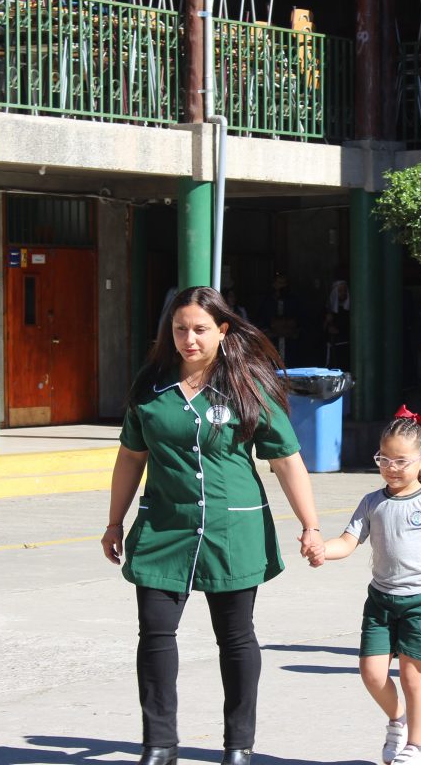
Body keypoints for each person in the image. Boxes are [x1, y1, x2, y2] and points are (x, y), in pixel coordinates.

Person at [100, 286, 325, 765]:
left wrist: (311, 526)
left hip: (232, 530)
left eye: (200, 329)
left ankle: (238, 745)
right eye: (180, 329)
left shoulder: (247, 384)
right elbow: (129, 458)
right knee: (155, 635)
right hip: (164, 529)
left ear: (223, 331)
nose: (189, 339)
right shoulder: (150, 386)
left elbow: (286, 460)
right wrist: (114, 521)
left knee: (236, 637)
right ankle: (159, 744)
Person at [319, 407, 421, 765]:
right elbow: (348, 542)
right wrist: (322, 550)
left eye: (400, 461)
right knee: (371, 672)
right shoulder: (371, 502)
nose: (390, 468)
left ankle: (416, 747)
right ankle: (397, 721)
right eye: (384, 459)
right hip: (381, 601)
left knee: (413, 677)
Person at [323, 279, 350, 369]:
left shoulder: (350, 310)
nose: (343, 293)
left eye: (344, 291)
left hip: (347, 347)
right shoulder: (327, 310)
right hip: (333, 347)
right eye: (340, 291)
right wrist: (327, 321)